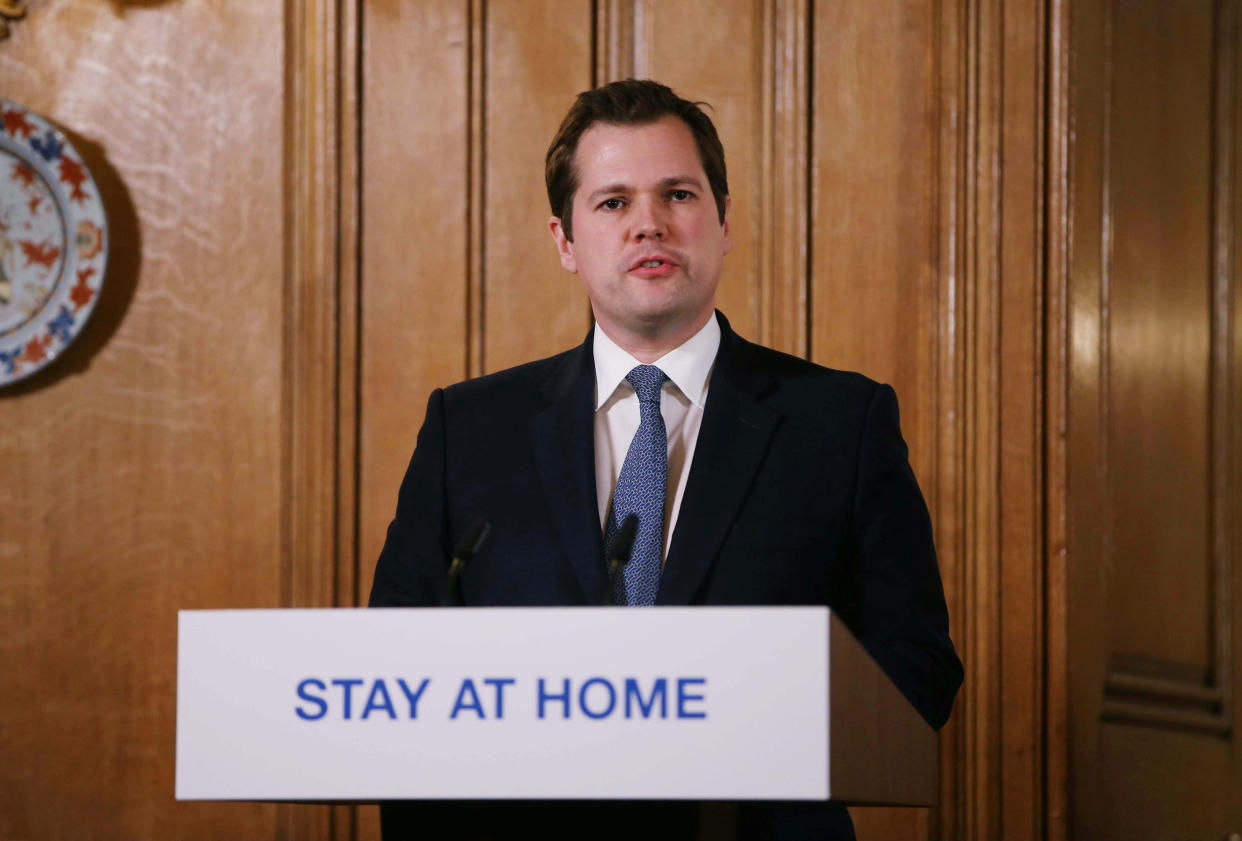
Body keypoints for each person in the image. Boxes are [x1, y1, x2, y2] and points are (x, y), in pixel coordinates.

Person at [370, 78, 962, 841]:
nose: (648, 225)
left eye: (678, 195)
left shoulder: (841, 423)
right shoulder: (469, 428)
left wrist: (749, 718)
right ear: (564, 241)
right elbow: (392, 668)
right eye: (613, 202)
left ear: (723, 223)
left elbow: (916, 667)